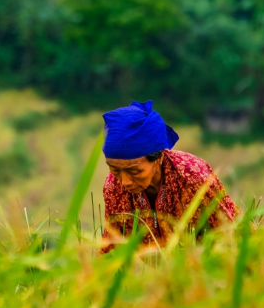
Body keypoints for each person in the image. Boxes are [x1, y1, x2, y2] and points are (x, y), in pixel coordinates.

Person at [100, 101, 238, 255]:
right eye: (114, 169)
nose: (124, 181)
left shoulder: (192, 176)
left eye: (135, 171)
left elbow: (228, 235)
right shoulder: (113, 185)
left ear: (158, 157)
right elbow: (112, 245)